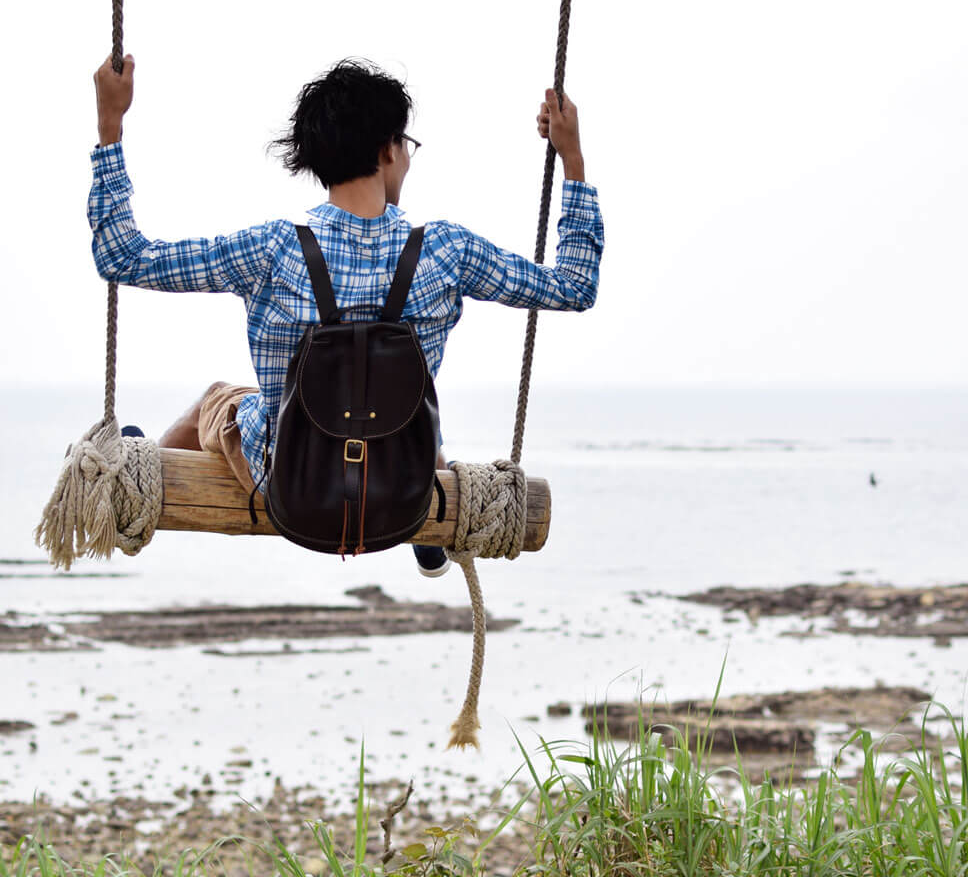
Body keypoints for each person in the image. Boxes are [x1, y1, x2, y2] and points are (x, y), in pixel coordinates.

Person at [88, 56, 603, 577]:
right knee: (404, 401)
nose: (407, 159)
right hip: (403, 489)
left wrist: (111, 125)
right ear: (386, 149)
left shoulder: (271, 249)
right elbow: (575, 286)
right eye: (406, 146)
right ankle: (427, 535)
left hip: (292, 486)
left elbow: (124, 257)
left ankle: (141, 481)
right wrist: (573, 158)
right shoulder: (447, 251)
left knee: (217, 400)